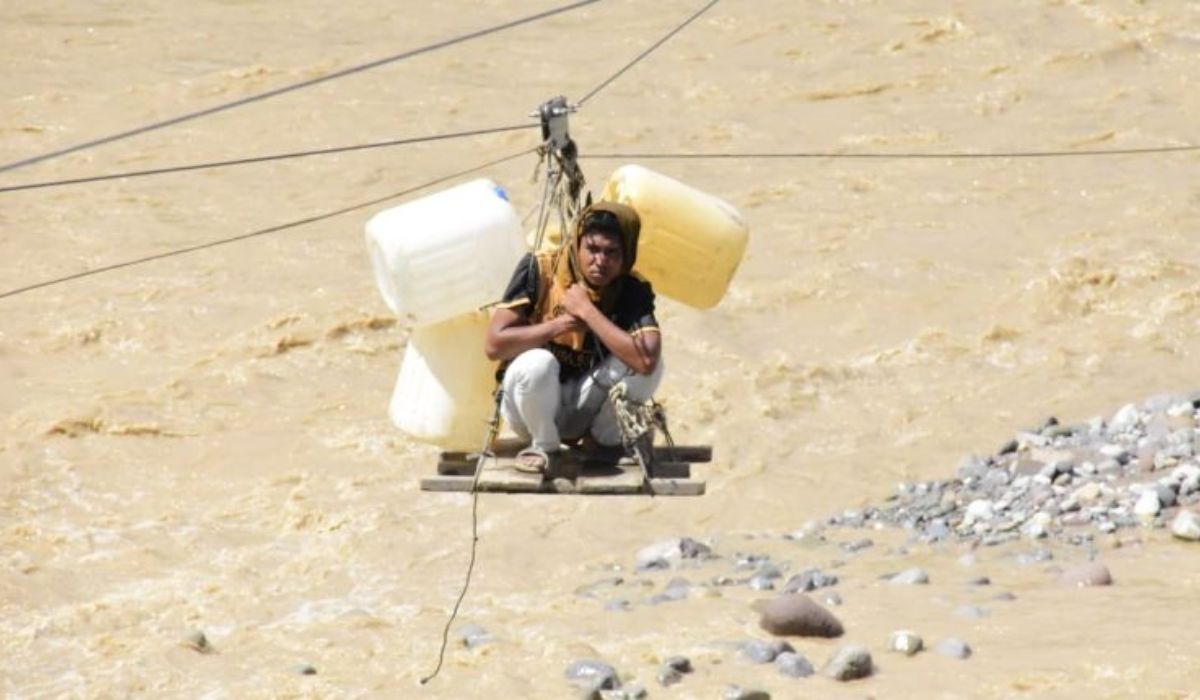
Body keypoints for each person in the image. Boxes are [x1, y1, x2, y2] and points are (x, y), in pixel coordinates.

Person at [484, 201, 663, 476]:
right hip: (530, 405)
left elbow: (646, 361)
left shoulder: (631, 287)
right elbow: (494, 345)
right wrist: (561, 324)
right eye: (592, 249)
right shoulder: (539, 268)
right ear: (577, 245)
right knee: (537, 363)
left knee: (651, 364)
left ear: (626, 255)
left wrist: (588, 312)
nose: (600, 261)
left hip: (584, 401)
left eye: (611, 253)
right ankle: (544, 446)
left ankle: (602, 440)